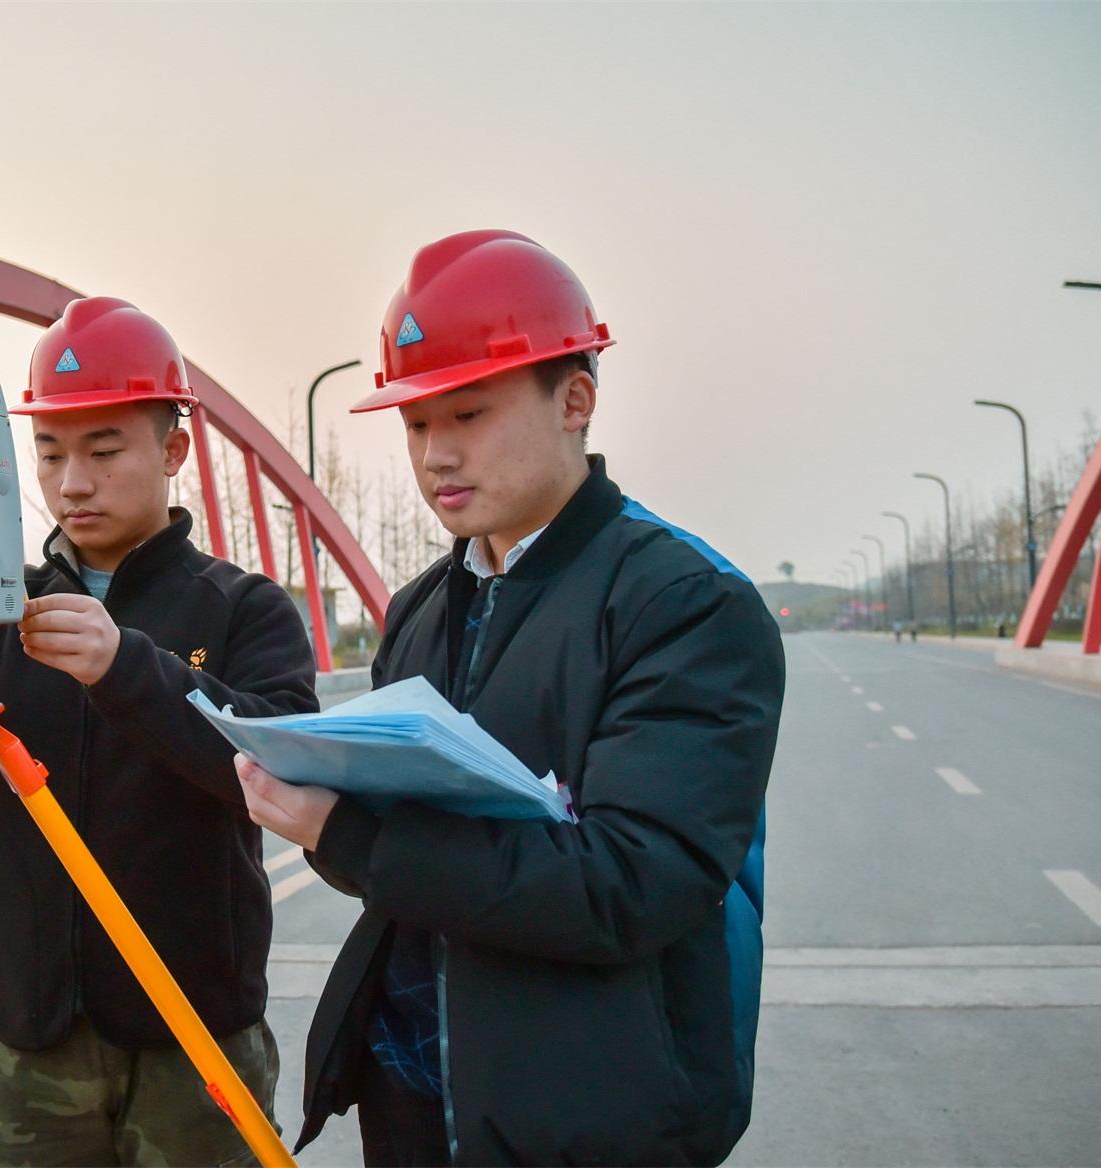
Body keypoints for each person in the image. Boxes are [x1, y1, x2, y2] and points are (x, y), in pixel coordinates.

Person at [235, 231, 785, 1165]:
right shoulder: (419, 610)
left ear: (575, 400)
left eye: (468, 416)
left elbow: (631, 887)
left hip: (581, 1116)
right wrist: (324, 812)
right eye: (415, 425)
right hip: (410, 1085)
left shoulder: (683, 605)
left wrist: (354, 836)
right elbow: (390, 862)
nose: (435, 456)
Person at [0, 296, 318, 1165]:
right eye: (47, 453)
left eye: (102, 449)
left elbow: (282, 767)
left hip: (192, 1026)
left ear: (172, 450)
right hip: (31, 1028)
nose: (71, 482)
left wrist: (128, 668)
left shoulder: (244, 609)